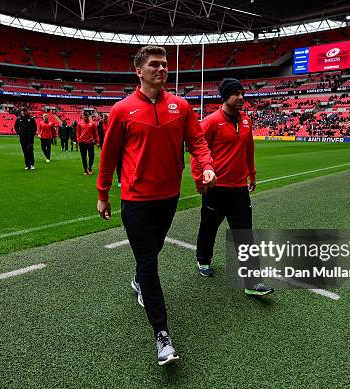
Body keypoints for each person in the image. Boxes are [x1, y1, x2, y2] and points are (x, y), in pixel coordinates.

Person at [96, 45, 216, 366]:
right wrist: (103, 193)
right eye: (154, 64)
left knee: (153, 250)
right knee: (149, 262)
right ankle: (162, 336)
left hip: (168, 198)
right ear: (139, 71)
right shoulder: (122, 110)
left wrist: (205, 163)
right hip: (135, 200)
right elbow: (108, 157)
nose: (162, 69)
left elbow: (197, 141)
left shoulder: (182, 105)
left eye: (164, 64)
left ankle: (138, 280)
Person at [190, 78, 272, 296]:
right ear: (225, 96)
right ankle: (203, 260)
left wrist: (252, 174)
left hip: (239, 189)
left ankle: (252, 283)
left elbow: (249, 149)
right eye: (236, 93)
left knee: (244, 234)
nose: (241, 97)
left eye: (242, 93)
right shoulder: (210, 121)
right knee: (209, 228)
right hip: (215, 188)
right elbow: (196, 152)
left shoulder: (246, 121)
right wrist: (200, 180)